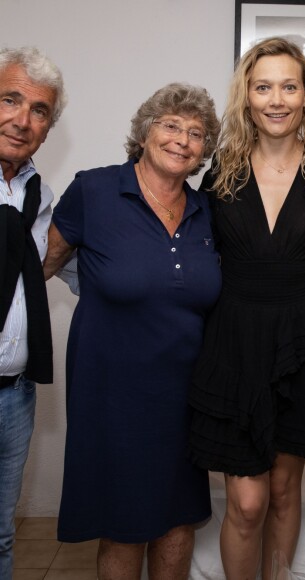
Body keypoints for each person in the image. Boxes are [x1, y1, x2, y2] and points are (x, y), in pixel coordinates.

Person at [188, 37, 305, 580]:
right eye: (263, 87)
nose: (276, 99)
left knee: (284, 492)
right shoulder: (221, 169)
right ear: (247, 96)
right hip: (234, 341)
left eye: (289, 86)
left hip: (303, 342)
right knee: (248, 502)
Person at [42, 83, 221, 580]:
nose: (182, 140)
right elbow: (46, 263)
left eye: (196, 133)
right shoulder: (95, 190)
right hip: (110, 388)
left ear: (205, 150)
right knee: (123, 522)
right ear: (144, 132)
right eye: (170, 125)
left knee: (180, 514)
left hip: (186, 391)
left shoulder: (208, 211)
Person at [0, 46, 66, 579]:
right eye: (10, 99)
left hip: (16, 392)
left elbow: (53, 267)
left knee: (1, 533)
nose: (22, 119)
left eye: (39, 110)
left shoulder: (37, 195)